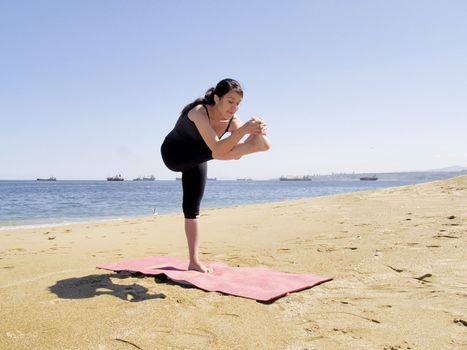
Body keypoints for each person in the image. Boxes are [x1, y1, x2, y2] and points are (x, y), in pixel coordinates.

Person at [160, 78, 271, 273]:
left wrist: (257, 131)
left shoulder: (232, 121)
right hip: (174, 155)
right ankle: (254, 145)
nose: (234, 107)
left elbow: (234, 155)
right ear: (217, 98)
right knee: (221, 150)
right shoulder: (199, 112)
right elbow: (220, 150)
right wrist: (245, 132)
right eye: (230, 101)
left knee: (192, 210)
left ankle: (193, 261)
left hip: (200, 157)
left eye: (238, 103)